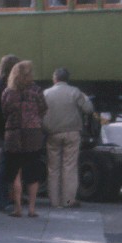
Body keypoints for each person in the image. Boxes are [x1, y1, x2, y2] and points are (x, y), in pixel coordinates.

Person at [1, 60, 48, 217]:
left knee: (16, 173)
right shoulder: (36, 90)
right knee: (33, 172)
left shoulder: (8, 92)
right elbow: (43, 108)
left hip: (13, 133)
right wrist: (35, 119)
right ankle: (32, 209)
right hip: (33, 133)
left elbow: (5, 111)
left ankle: (18, 208)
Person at [43, 67, 93, 209]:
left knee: (53, 168)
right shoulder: (75, 92)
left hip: (53, 134)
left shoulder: (46, 93)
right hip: (72, 133)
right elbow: (88, 109)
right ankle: (68, 201)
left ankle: (54, 201)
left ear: (55, 79)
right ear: (67, 79)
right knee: (69, 167)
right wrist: (86, 97)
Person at [0, 54, 21, 211]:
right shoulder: (5, 88)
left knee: (8, 167)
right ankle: (0, 200)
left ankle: (6, 198)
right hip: (9, 133)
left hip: (6, 133)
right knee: (5, 168)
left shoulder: (2, 86)